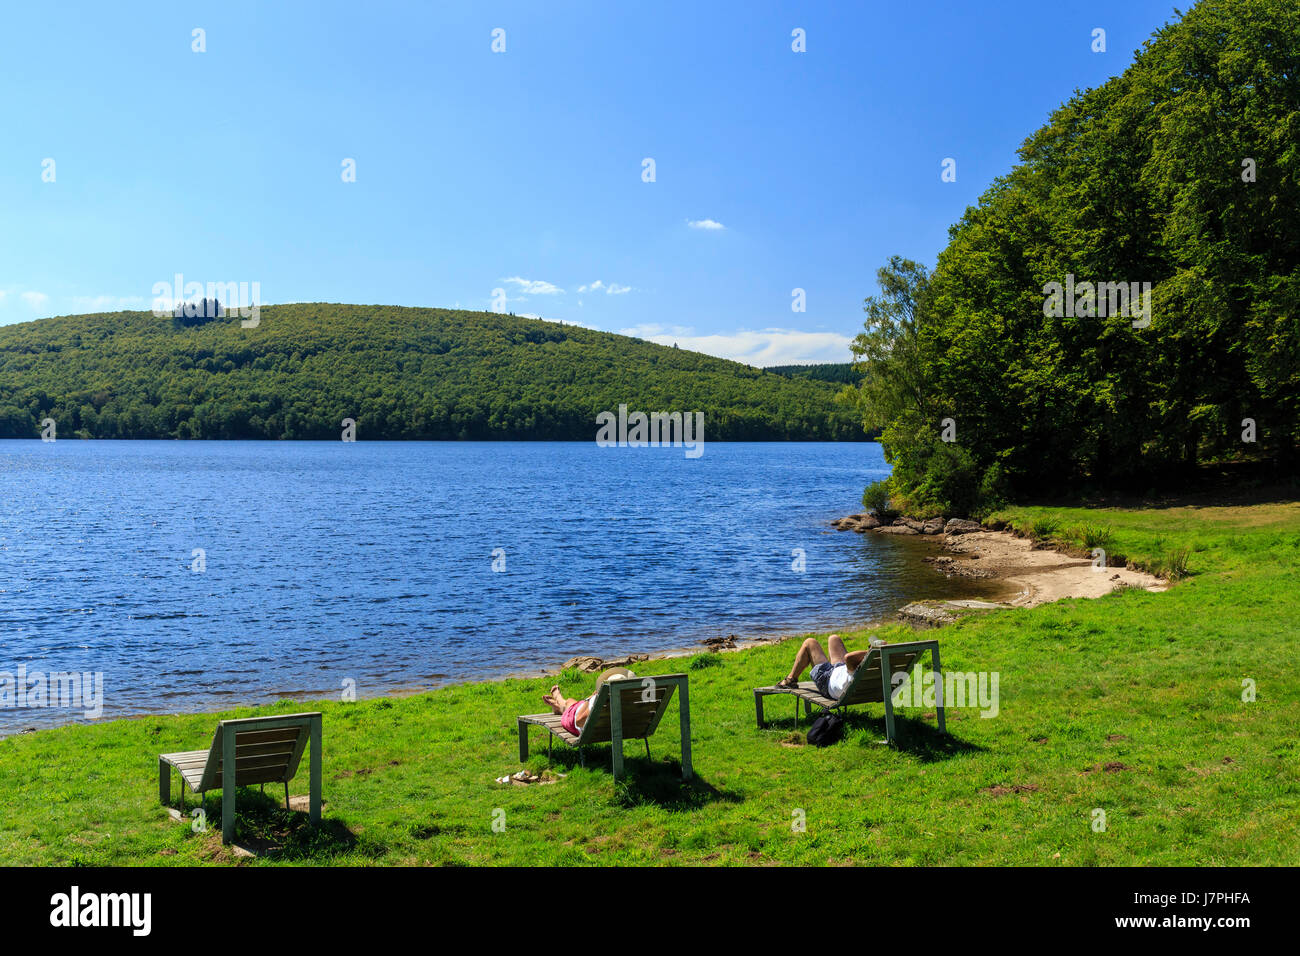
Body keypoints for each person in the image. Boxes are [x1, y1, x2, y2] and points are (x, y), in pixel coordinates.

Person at [777, 633, 877, 701]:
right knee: (834, 638)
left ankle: (790, 680)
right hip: (842, 671)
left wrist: (872, 651)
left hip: (828, 681)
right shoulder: (881, 664)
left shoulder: (855, 661)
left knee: (809, 642)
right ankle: (791, 679)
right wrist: (876, 651)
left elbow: (849, 658)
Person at [542, 667, 635, 737]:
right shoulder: (633, 699)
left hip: (576, 724)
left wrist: (589, 699)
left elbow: (579, 722)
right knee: (571, 702)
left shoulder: (600, 700)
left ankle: (557, 700)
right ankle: (558, 704)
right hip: (615, 729)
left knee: (569, 703)